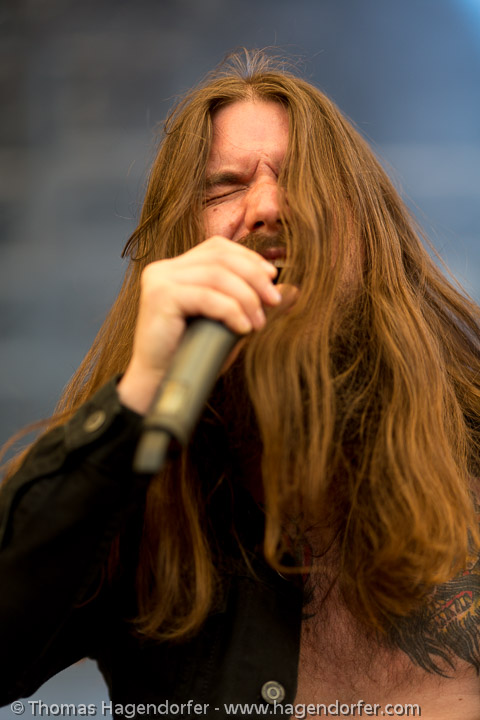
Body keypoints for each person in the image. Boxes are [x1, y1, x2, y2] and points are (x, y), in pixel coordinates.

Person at [1, 49, 479, 719]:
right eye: (223, 187)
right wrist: (137, 397)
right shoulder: (131, 491)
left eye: (304, 180)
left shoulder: (470, 431)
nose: (267, 207)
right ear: (178, 250)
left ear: (369, 233)